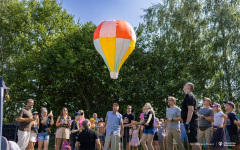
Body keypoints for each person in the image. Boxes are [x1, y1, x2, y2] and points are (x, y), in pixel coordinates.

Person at [181, 82, 200, 150]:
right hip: (190, 121)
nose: (183, 85)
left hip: (191, 121)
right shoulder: (188, 95)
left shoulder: (189, 95)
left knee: (194, 141)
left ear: (188, 87)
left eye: (185, 84)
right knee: (192, 141)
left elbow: (191, 109)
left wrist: (187, 122)